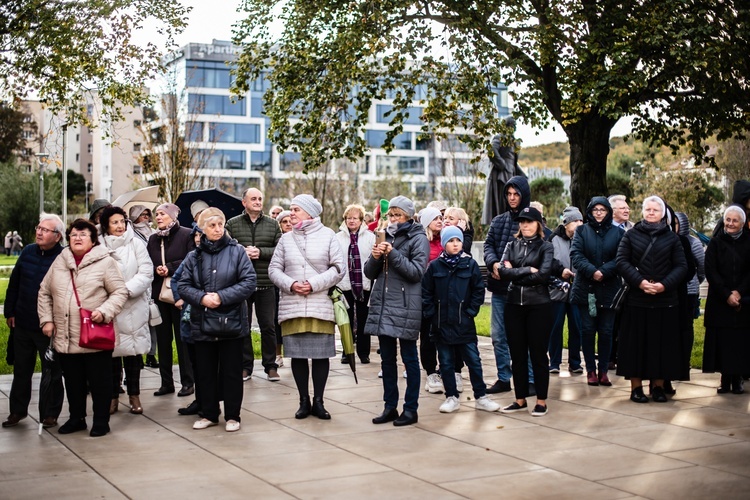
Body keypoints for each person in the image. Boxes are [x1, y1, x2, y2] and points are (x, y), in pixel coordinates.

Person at [38, 218, 128, 436]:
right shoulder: (61, 260)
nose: (77, 238)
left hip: (94, 335)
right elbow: (44, 292)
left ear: (93, 240)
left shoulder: (105, 262)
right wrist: (47, 320)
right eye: (74, 234)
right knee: (73, 382)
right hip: (66, 336)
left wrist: (104, 312)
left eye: (83, 235)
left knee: (100, 383)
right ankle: (76, 418)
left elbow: (120, 292)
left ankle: (100, 421)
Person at [178, 208, 256, 432]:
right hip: (202, 320)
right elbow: (183, 285)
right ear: (202, 229)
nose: (217, 229)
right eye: (212, 225)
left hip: (231, 321)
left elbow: (248, 281)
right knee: (205, 371)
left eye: (220, 224)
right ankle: (209, 413)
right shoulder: (194, 256)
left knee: (232, 371)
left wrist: (221, 297)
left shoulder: (237, 252)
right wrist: (202, 298)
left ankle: (233, 415)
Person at [269, 194, 345, 420]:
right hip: (292, 305)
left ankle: (319, 402)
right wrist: (291, 284)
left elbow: (338, 269)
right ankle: (303, 401)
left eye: (296, 209)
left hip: (320, 305)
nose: (291, 213)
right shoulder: (285, 239)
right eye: (290, 209)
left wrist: (312, 284)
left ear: (310, 212)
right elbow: (274, 269)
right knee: (297, 356)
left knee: (321, 356)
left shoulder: (328, 235)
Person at [365, 196, 429, 426]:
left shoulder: (418, 238)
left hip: (405, 306)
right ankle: (389, 406)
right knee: (387, 361)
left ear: (408, 216)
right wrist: (374, 258)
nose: (392, 219)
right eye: (390, 215)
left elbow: (415, 272)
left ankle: (410, 409)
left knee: (410, 359)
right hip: (383, 304)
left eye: (397, 215)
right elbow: (369, 273)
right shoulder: (384, 235)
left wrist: (392, 253)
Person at [616, 196, 687, 403]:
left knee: (661, 346)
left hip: (665, 301)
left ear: (663, 213)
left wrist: (663, 285)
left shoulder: (672, 238)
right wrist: (641, 282)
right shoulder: (630, 235)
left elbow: (681, 266)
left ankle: (657, 387)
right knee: (635, 347)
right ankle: (636, 388)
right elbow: (621, 261)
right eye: (648, 209)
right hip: (637, 300)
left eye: (655, 210)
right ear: (643, 212)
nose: (651, 213)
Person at [422, 226, 501, 413]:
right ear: (443, 244)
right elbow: (426, 293)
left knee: (473, 361)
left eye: (458, 240)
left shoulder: (470, 264)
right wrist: (432, 315)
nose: (455, 244)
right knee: (446, 363)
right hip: (442, 325)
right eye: (450, 241)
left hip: (463, 324)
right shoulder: (434, 267)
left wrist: (470, 312)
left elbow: (478, 289)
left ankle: (481, 396)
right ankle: (451, 397)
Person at [2, 215, 65, 429]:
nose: (39, 232)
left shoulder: (63, 257)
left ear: (57, 237)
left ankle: (50, 414)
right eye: (39, 228)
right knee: (21, 370)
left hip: (48, 326)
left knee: (52, 373)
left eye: (45, 230)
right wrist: (10, 311)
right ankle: (17, 411)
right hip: (22, 322)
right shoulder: (28, 251)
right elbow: (15, 282)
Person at [497, 207, 555, 417]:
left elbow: (543, 275)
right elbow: (502, 272)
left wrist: (515, 273)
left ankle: (541, 400)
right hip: (513, 305)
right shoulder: (511, 244)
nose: (525, 225)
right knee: (517, 354)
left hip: (538, 305)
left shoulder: (546, 247)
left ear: (538, 224)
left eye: (529, 221)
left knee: (538, 355)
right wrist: (526, 270)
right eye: (522, 221)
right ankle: (519, 399)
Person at [99, 206, 154, 415]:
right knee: (111, 355)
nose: (120, 226)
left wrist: (125, 291)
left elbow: (146, 272)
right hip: (109, 307)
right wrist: (111, 295)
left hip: (132, 306)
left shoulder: (136, 243)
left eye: (122, 221)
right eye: (115, 222)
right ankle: (113, 397)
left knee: (132, 355)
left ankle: (134, 396)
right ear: (106, 225)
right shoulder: (98, 246)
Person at [226, 187, 282, 382]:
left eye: (260, 198)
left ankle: (270, 366)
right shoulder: (232, 224)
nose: (258, 202)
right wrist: (242, 251)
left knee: (268, 326)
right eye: (254, 199)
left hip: (266, 283)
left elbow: (279, 250)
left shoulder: (273, 224)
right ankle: (245, 367)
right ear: (244, 202)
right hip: (242, 284)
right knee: (244, 327)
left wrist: (260, 252)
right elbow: (226, 248)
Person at [484, 175, 533, 394]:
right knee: (498, 336)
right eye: (509, 194)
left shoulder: (532, 220)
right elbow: (488, 246)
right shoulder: (498, 221)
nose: (512, 198)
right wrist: (493, 263)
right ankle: (504, 378)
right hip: (499, 288)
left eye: (516, 194)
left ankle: (529, 379)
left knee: (524, 336)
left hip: (524, 289)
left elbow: (537, 250)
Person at [570, 197, 624, 386]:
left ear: (609, 212)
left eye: (603, 209)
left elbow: (621, 257)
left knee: (607, 331)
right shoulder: (581, 231)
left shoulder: (618, 233)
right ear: (590, 212)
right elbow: (576, 255)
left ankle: (603, 371)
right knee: (587, 330)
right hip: (587, 288)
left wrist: (604, 271)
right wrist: (593, 272)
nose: (599, 213)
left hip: (609, 289)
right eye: (595, 210)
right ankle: (591, 370)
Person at [146, 203, 195, 397]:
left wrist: (171, 267)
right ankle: (166, 383)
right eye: (156, 214)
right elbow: (147, 262)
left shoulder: (186, 234)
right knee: (163, 341)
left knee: (183, 341)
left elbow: (191, 259)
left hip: (180, 295)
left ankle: (187, 382)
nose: (158, 217)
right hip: (160, 295)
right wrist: (156, 269)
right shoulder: (153, 239)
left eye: (162, 214)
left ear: (173, 216)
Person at [702, 205, 750, 394]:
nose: (730, 224)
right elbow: (711, 270)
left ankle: (737, 378)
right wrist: (726, 294)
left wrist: (738, 292)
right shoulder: (716, 242)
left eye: (734, 220)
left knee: (739, 342)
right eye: (727, 220)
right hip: (720, 301)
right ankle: (724, 379)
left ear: (742, 223)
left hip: (743, 301)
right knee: (722, 342)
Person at [334, 204, 376, 364]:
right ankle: (347, 351)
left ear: (361, 220)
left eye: (355, 218)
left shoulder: (370, 237)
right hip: (344, 284)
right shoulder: (337, 238)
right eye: (348, 218)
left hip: (364, 283)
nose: (351, 221)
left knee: (365, 320)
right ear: (345, 220)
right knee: (346, 320)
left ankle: (363, 353)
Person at [547, 206, 583, 374]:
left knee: (577, 326)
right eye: (576, 221)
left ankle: (575, 363)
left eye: (581, 221)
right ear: (567, 223)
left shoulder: (582, 238)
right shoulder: (553, 238)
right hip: (557, 289)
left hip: (576, 290)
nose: (579, 224)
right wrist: (561, 270)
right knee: (555, 327)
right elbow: (548, 261)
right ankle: (554, 362)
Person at [419, 206, 446, 394]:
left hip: (444, 294)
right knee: (427, 335)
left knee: (443, 334)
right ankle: (430, 371)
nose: (440, 220)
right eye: (435, 218)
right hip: (425, 294)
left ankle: (444, 369)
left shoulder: (444, 239)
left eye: (441, 217)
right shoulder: (422, 242)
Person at [274, 209, 293, 365]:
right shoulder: (276, 239)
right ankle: (278, 354)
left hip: (294, 284)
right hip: (277, 284)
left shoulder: (298, 238)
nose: (288, 224)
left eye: (290, 221)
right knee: (276, 320)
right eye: (284, 222)